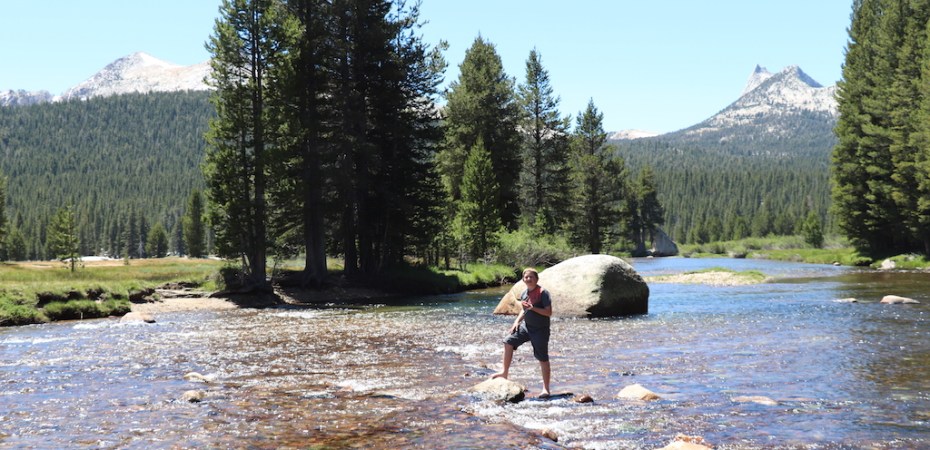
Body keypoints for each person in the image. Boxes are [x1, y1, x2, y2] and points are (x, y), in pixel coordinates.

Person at [491, 267, 552, 397]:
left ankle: (546, 389)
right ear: (523, 279)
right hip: (526, 327)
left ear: (536, 279)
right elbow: (524, 310)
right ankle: (504, 372)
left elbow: (548, 312)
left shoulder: (543, 293)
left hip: (540, 330)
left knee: (543, 358)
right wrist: (516, 322)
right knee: (508, 341)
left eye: (531, 277)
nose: (528, 279)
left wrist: (533, 308)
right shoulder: (524, 293)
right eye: (526, 277)